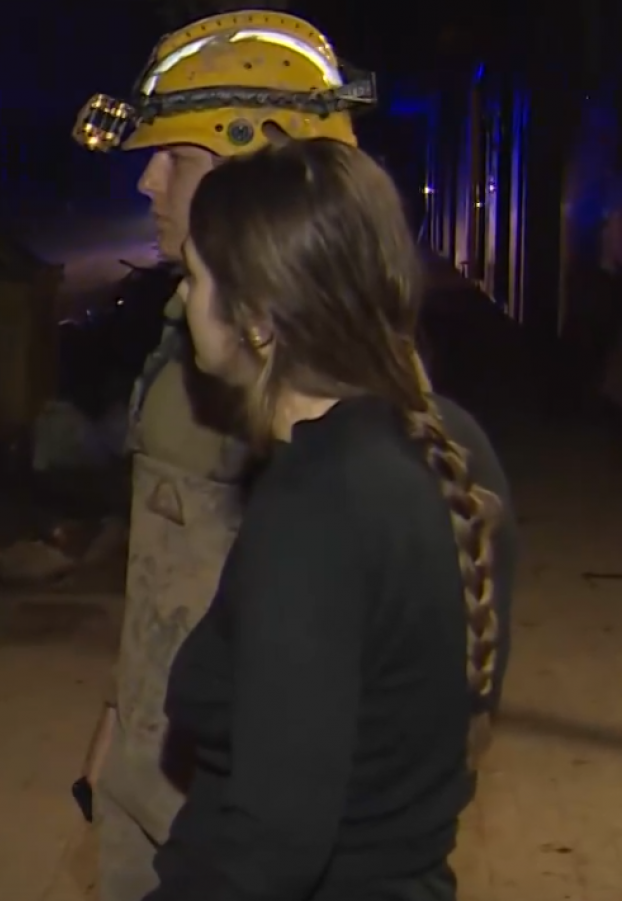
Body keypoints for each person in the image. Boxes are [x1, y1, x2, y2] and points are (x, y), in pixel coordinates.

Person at [69, 12, 515, 900]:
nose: (151, 182)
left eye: (180, 156)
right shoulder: (448, 443)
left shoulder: (320, 491)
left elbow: (276, 839)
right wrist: (127, 720)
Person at [145, 137, 502, 901]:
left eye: (193, 276)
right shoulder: (460, 448)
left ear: (257, 319)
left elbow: (273, 847)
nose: (183, 300)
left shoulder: (316, 508)